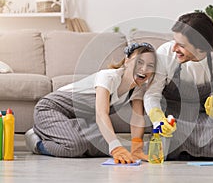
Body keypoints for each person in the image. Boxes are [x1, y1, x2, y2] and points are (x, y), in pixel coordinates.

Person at [25, 42, 157, 164]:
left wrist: (136, 149)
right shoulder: (108, 76)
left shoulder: (138, 89)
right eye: (139, 62)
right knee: (75, 146)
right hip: (51, 109)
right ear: (127, 61)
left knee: (104, 148)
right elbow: (101, 113)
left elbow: (137, 119)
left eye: (150, 65)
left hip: (80, 119)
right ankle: (36, 141)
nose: (144, 69)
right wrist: (115, 147)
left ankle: (64, 134)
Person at [144, 12, 213, 160]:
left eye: (181, 45)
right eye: (174, 41)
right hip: (170, 115)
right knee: (162, 142)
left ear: (201, 47)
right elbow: (152, 95)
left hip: (202, 117)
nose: (174, 48)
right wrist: (158, 119)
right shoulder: (164, 54)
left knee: (211, 133)